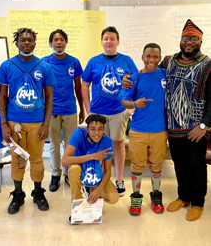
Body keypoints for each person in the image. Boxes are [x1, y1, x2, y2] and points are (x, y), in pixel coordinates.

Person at [123, 20, 211, 221]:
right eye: (185, 38)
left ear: (200, 41)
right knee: (179, 164)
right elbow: (147, 69)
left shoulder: (208, 65)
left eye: (194, 39)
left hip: (196, 128)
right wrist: (126, 78)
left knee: (197, 166)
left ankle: (198, 202)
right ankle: (184, 197)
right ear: (180, 40)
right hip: (172, 127)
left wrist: (204, 125)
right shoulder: (168, 61)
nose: (189, 42)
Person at [0, 28, 56, 214]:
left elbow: (49, 98)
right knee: (18, 159)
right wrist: (4, 123)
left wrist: (46, 124)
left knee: (37, 159)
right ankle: (17, 194)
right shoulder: (6, 66)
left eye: (30, 40)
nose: (27, 43)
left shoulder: (44, 66)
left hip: (37, 122)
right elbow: (2, 95)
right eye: (23, 40)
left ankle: (38, 192)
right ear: (17, 43)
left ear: (35, 43)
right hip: (15, 123)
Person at [81, 26, 138, 196]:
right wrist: (88, 108)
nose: (109, 41)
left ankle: (119, 179)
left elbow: (136, 83)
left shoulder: (126, 60)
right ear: (101, 42)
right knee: (98, 146)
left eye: (112, 38)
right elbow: (85, 84)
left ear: (118, 41)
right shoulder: (94, 61)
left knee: (118, 143)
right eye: (106, 38)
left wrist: (130, 106)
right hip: (98, 112)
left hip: (119, 111)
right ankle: (99, 178)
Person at [122, 43, 167, 216]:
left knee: (156, 165)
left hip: (159, 130)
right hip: (138, 130)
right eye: (148, 56)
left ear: (160, 58)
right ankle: (136, 197)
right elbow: (123, 101)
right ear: (142, 57)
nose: (151, 60)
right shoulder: (135, 78)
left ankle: (156, 195)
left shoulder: (165, 74)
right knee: (137, 165)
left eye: (156, 56)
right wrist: (134, 104)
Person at [42, 29, 84, 192]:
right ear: (50, 43)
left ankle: (69, 173)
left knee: (70, 144)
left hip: (70, 109)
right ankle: (55, 174)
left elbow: (78, 87)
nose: (58, 42)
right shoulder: (44, 62)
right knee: (53, 144)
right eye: (55, 40)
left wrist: (81, 109)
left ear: (66, 42)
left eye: (61, 40)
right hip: (51, 111)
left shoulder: (74, 62)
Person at [62, 114, 119, 224]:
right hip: (79, 170)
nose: (96, 133)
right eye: (93, 129)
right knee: (73, 169)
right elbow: (64, 161)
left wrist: (99, 190)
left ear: (104, 130)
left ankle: (91, 190)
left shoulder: (107, 141)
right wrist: (93, 156)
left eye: (100, 129)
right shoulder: (78, 134)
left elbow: (108, 172)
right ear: (87, 129)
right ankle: (77, 207)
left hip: (95, 173)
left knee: (113, 198)